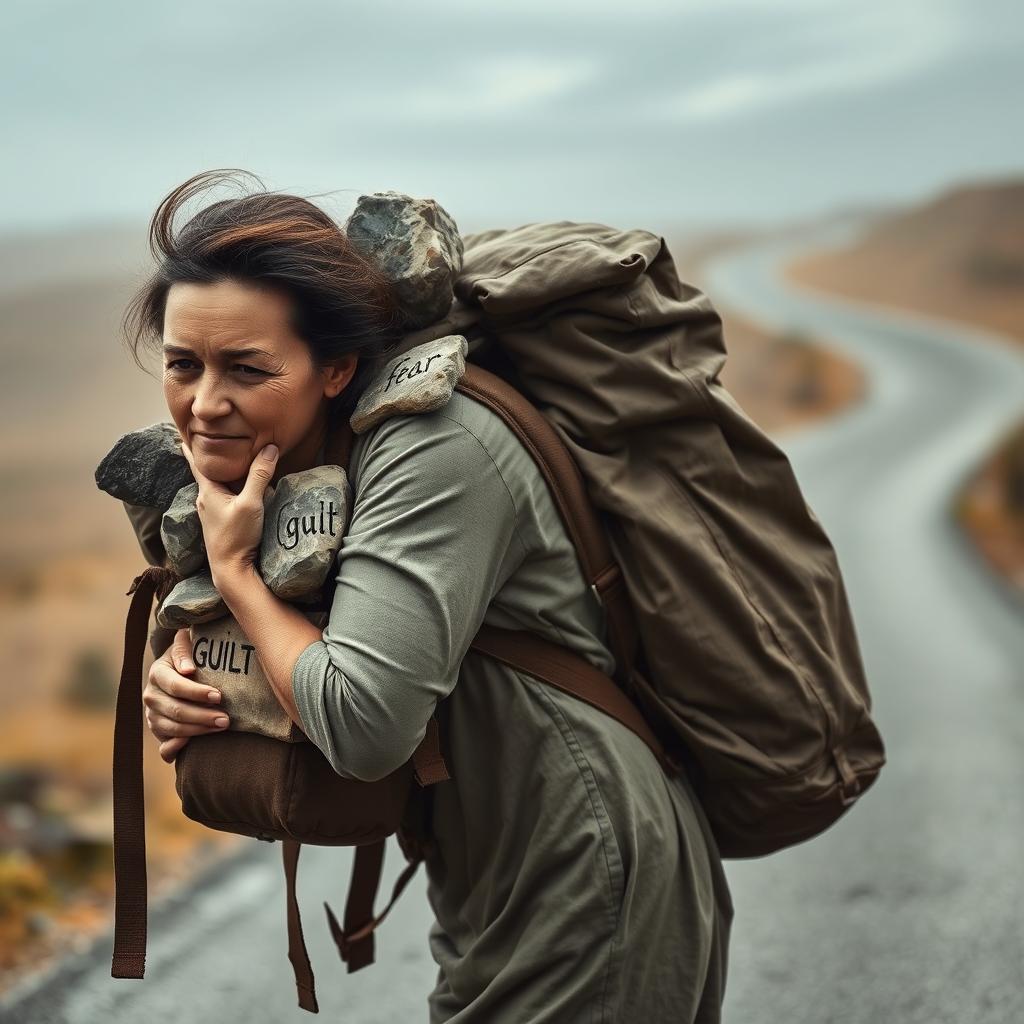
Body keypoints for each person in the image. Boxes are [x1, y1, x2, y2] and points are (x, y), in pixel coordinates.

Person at [128, 169, 733, 1023]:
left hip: (585, 861)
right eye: (183, 365)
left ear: (336, 366)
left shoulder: (434, 446)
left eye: (246, 368)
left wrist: (234, 576)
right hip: (492, 874)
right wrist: (187, 689)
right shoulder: (307, 462)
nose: (204, 404)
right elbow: (319, 651)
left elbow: (365, 722)